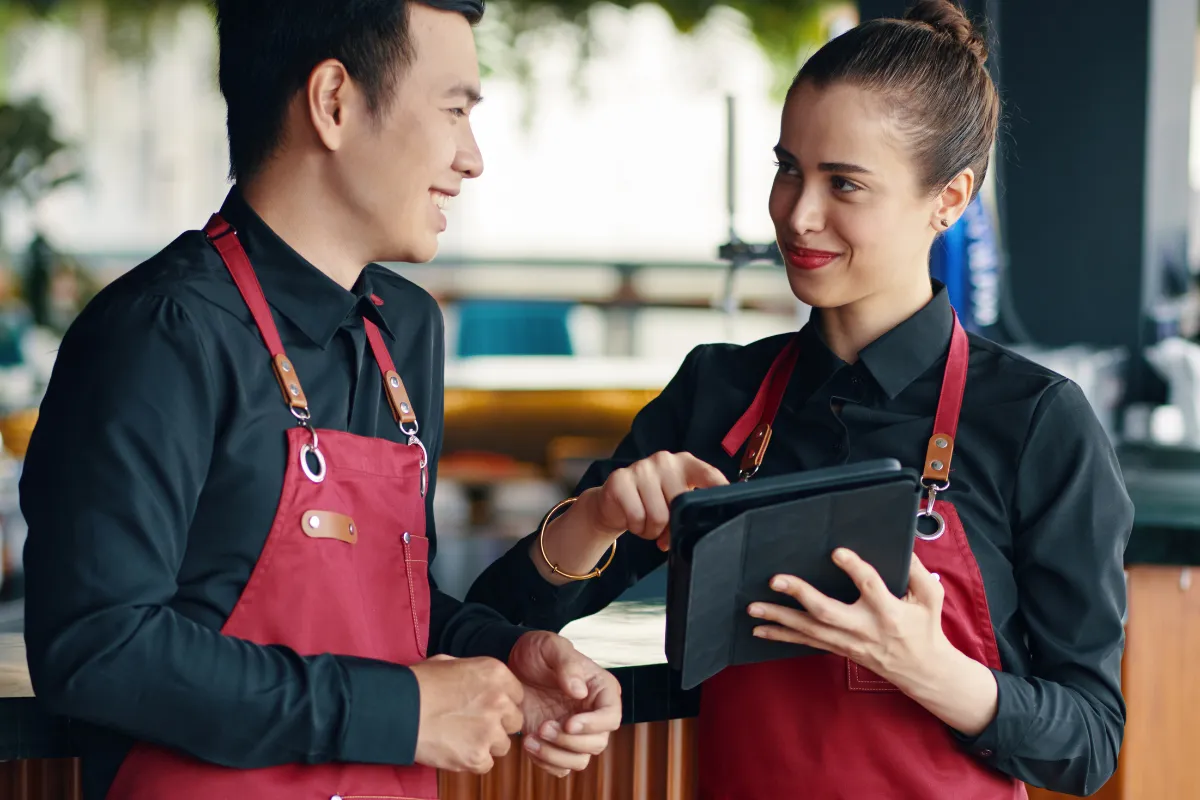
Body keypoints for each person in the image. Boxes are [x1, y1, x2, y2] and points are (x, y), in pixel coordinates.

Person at [467, 2, 1132, 797]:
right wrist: (599, 516)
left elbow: (1090, 740)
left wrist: (931, 671)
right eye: (789, 169)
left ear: (949, 199)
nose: (797, 214)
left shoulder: (1035, 421)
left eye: (844, 182)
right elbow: (499, 615)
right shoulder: (719, 392)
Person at [20, 2, 622, 799]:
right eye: (454, 110)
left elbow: (390, 608)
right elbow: (98, 647)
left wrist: (508, 653)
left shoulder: (406, 330)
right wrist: (394, 711)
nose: (472, 158)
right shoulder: (162, 331)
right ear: (334, 101)